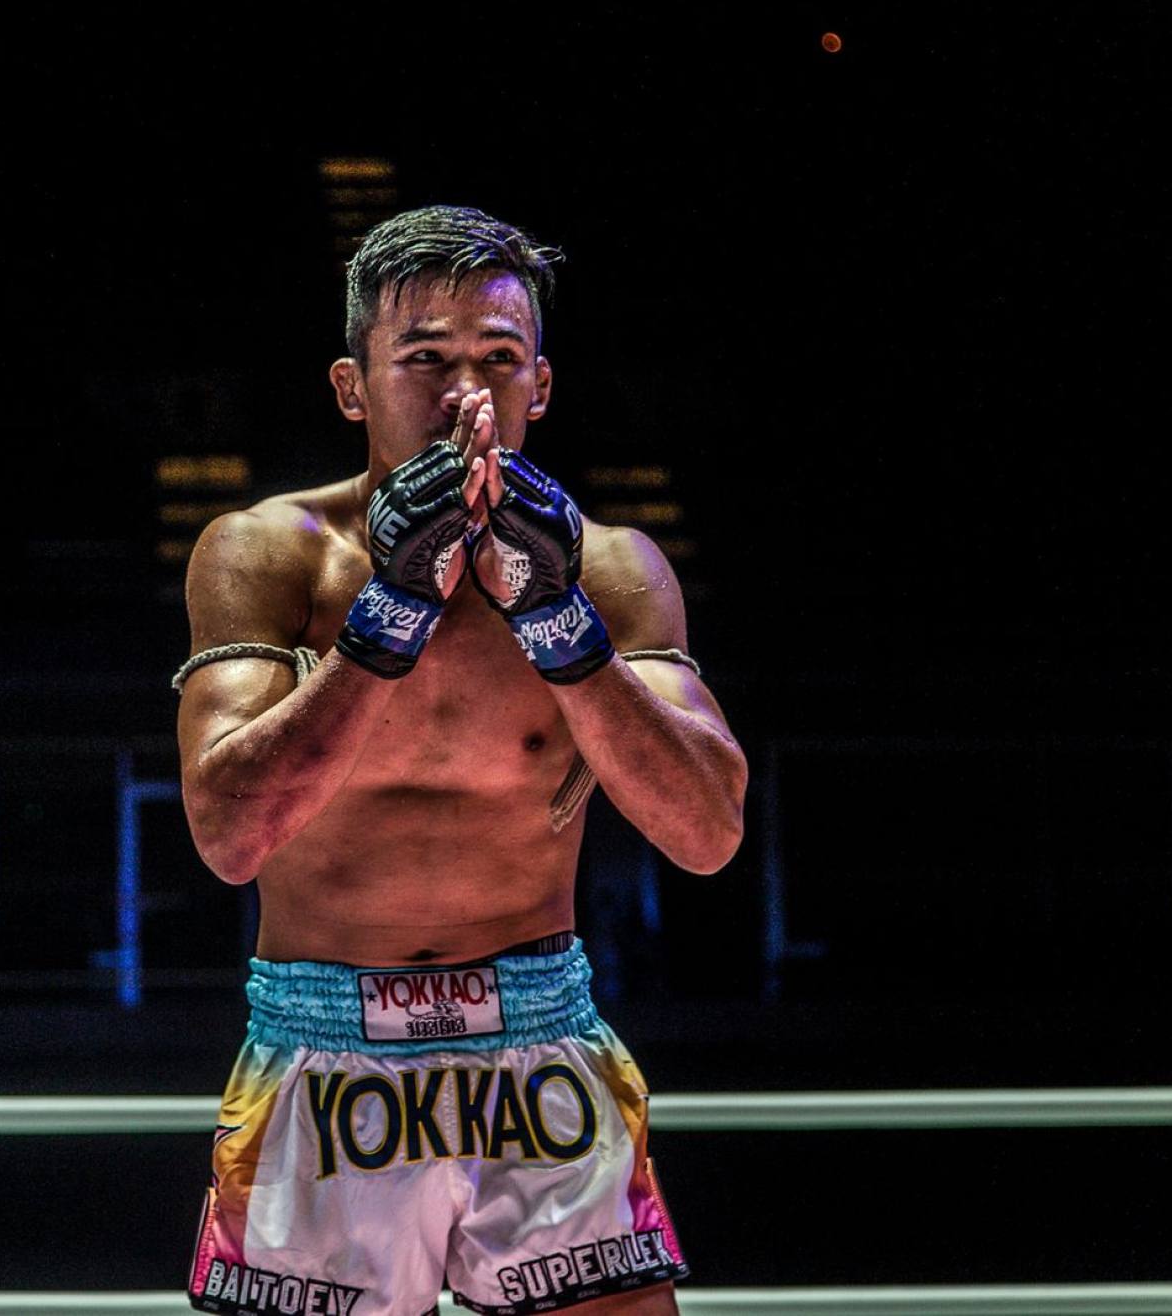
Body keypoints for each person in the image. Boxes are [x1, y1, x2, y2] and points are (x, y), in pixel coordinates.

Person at [173, 205, 746, 1316]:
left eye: (497, 358)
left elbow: (707, 830)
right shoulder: (268, 554)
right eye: (425, 358)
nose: (465, 394)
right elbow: (230, 835)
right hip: (321, 1044)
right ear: (352, 387)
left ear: (541, 384)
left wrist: (558, 624)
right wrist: (390, 611)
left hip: (538, 1039)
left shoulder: (610, 570)